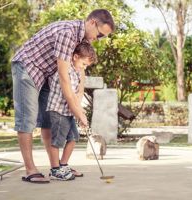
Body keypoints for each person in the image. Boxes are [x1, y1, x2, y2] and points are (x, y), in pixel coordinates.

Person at [11, 9, 115, 183]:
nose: (99, 39)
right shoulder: (68, 33)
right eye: (100, 35)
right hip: (28, 67)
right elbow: (64, 76)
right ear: (92, 23)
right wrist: (77, 112)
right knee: (26, 118)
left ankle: (56, 168)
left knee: (48, 121)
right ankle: (30, 170)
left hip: (46, 73)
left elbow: (80, 75)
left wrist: (79, 106)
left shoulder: (82, 39)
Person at [47, 43, 96, 181]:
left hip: (68, 111)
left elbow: (77, 94)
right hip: (58, 110)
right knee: (57, 141)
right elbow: (70, 96)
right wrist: (80, 115)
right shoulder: (66, 70)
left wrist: (80, 113)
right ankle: (55, 170)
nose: (84, 68)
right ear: (75, 57)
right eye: (84, 64)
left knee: (74, 137)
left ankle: (63, 165)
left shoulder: (76, 72)